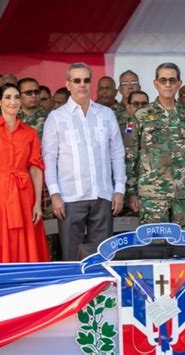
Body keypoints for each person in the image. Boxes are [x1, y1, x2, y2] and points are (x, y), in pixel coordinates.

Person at [42, 62, 126, 261]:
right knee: (72, 257)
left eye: (86, 80)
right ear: (68, 84)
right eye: (77, 80)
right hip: (70, 197)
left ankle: (102, 292)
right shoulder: (56, 117)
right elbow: (49, 157)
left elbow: (117, 153)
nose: (82, 85)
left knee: (103, 257)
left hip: (102, 194)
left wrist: (119, 190)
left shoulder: (106, 114)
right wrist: (55, 195)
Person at [0, 83, 50, 263]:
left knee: (26, 237)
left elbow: (36, 168)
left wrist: (37, 203)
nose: (13, 101)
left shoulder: (29, 133)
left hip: (24, 193)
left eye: (16, 97)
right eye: (7, 97)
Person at [127, 63, 185, 230]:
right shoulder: (140, 115)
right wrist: (131, 192)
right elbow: (130, 155)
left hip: (184, 196)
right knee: (155, 246)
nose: (168, 84)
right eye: (163, 80)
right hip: (152, 196)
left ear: (179, 84)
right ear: (155, 83)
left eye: (172, 80)